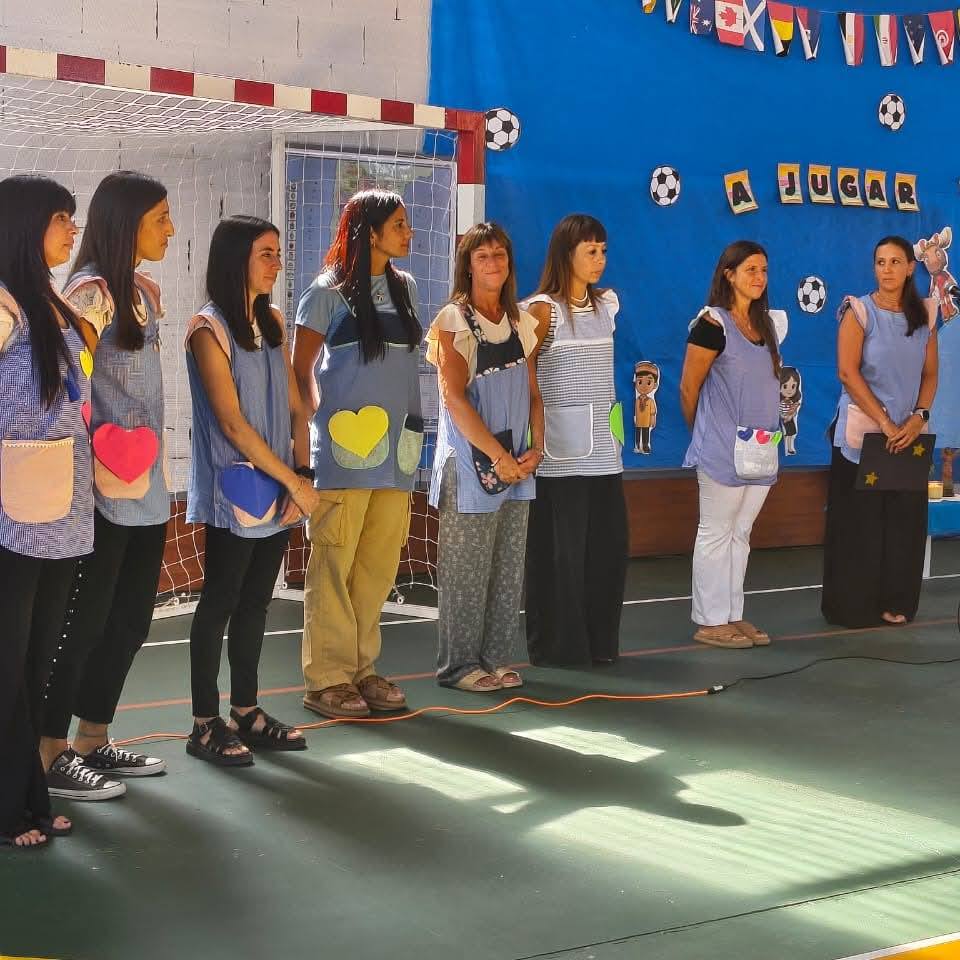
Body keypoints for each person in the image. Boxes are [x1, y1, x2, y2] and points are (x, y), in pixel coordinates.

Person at [38, 172, 175, 800]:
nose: (170, 229)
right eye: (159, 218)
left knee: (131, 618)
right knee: (86, 621)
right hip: (99, 487)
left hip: (145, 482)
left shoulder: (139, 290)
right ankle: (50, 750)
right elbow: (73, 381)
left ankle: (94, 737)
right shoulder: (91, 294)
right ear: (126, 224)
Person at [185, 215, 319, 764]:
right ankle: (203, 723)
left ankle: (246, 710)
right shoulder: (207, 330)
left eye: (278, 253)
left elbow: (296, 406)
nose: (277, 263)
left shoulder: (274, 321)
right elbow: (232, 423)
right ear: (235, 258)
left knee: (257, 603)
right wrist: (291, 481)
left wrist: (303, 474)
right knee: (220, 600)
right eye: (266, 253)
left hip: (282, 489)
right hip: (237, 490)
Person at [293, 190, 422, 719]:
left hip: (398, 455)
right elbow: (298, 374)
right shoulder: (325, 294)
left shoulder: (406, 288)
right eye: (399, 224)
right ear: (370, 232)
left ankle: (362, 669)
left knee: (376, 569)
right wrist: (309, 443)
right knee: (334, 567)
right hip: (344, 456)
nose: (408, 233)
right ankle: (327, 678)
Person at [0, 175, 90, 848]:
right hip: (13, 509)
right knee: (8, 663)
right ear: (25, 227)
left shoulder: (50, 304)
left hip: (59, 504)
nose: (71, 231)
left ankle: (29, 797)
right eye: (61, 219)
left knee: (35, 659)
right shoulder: (3, 305)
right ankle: (8, 808)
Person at [427, 222, 544, 691]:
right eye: (482, 256)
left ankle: (495, 658)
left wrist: (537, 447)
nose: (493, 263)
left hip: (517, 463)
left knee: (506, 569)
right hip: (472, 465)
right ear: (468, 266)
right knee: (466, 571)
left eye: (499, 254)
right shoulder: (452, 321)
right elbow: (454, 399)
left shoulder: (522, 322)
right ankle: (458, 667)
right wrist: (497, 457)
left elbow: (533, 393)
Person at [522, 214, 627, 667]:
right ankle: (559, 647)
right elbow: (525, 375)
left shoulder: (607, 306)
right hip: (559, 455)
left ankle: (599, 642)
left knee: (606, 549)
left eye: (603, 250)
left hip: (605, 449)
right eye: (591, 251)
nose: (600, 259)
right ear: (567, 255)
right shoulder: (541, 310)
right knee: (561, 554)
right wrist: (534, 435)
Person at [821, 236, 938, 628]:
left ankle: (896, 600)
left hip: (909, 437)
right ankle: (852, 606)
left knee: (904, 522)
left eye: (895, 262)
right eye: (880, 262)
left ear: (910, 268)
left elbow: (930, 374)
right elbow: (847, 372)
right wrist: (885, 423)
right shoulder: (858, 311)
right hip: (863, 436)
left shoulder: (926, 315)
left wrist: (918, 417)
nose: (886, 269)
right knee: (860, 524)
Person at [680, 241, 782, 649]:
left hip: (760, 449)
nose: (759, 277)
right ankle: (709, 621)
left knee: (741, 532)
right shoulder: (712, 325)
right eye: (750, 269)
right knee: (715, 531)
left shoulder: (766, 326)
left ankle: (732, 614)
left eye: (764, 270)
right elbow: (689, 388)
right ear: (729, 274)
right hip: (722, 450)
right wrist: (706, 433)